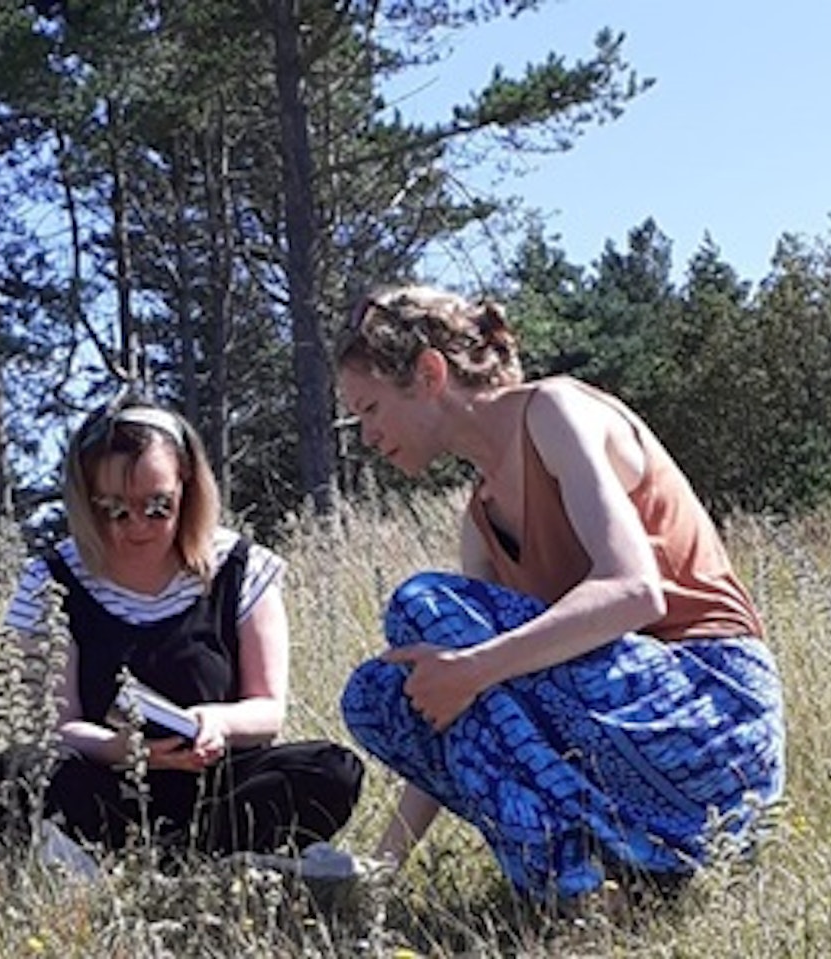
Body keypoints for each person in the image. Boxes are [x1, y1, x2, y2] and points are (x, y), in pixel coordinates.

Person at [334, 285, 785, 903]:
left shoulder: (554, 412)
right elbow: (462, 708)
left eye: (370, 409)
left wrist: (473, 668)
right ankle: (588, 893)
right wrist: (383, 868)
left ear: (430, 373)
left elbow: (634, 592)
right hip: (624, 739)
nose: (367, 436)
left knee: (423, 608)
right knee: (380, 697)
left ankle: (577, 876)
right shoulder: (481, 517)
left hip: (712, 718)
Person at [0, 394, 363, 859]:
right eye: (113, 509)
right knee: (18, 770)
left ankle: (182, 855)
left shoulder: (243, 567)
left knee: (332, 770)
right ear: (85, 500)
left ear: (187, 485)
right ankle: (184, 858)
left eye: (158, 506)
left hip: (221, 785)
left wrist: (215, 722)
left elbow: (268, 711)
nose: (138, 526)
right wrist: (118, 749)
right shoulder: (50, 580)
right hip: (108, 784)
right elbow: (56, 726)